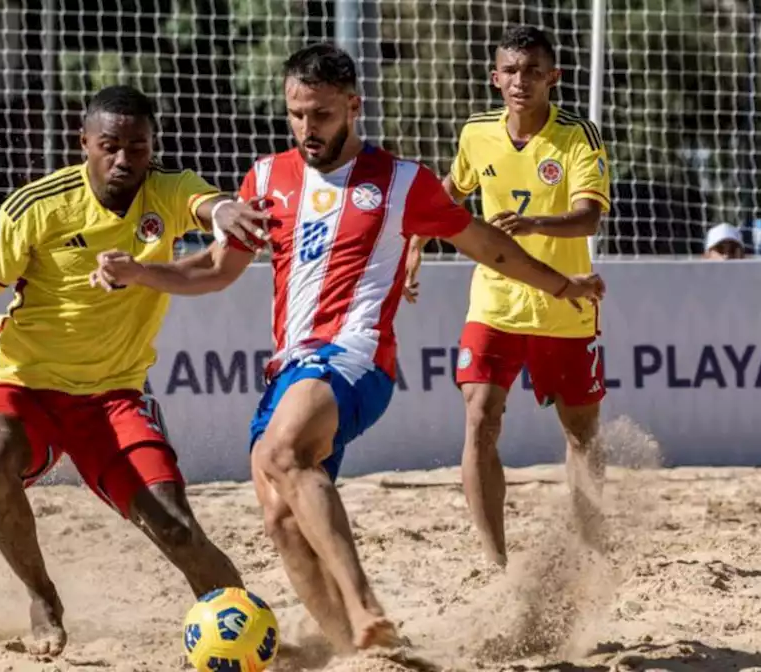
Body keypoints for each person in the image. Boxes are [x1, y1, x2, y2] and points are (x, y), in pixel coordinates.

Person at [88, 44, 605, 653]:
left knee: (284, 452)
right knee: (282, 520)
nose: (309, 129)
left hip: (356, 356)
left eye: (324, 115)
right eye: (298, 114)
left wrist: (560, 283)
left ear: (354, 106)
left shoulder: (401, 180)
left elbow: (487, 244)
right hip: (290, 365)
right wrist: (141, 271)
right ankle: (363, 651)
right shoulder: (265, 178)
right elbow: (214, 269)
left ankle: (365, 610)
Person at [0, 84, 270, 656]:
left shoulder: (164, 189)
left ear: (152, 145)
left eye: (137, 147)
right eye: (109, 146)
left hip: (112, 399)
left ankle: (250, 634)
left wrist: (225, 209)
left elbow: (203, 204)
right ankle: (42, 597)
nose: (123, 160)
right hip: (22, 385)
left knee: (176, 528)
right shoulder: (38, 206)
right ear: (84, 142)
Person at [405, 25, 615, 567]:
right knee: (481, 416)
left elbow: (589, 217)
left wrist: (534, 223)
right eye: (512, 71)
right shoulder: (476, 132)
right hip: (496, 299)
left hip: (564, 305)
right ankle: (496, 561)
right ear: (495, 77)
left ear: (553, 78)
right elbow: (449, 194)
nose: (521, 81)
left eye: (533, 72)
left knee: (581, 433)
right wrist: (416, 244)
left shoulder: (578, 136)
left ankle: (589, 547)